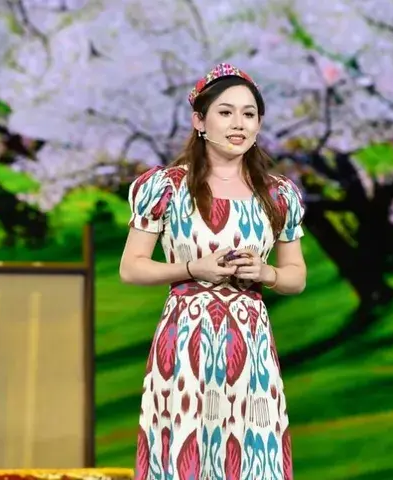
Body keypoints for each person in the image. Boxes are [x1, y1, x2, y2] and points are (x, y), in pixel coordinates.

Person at [120, 63, 306, 480]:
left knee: (252, 450)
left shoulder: (278, 194)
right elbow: (131, 268)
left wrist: (266, 273)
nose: (238, 123)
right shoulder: (166, 187)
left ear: (259, 124)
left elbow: (296, 275)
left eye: (249, 114)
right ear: (199, 121)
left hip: (250, 343)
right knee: (185, 449)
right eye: (225, 112)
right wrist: (192, 268)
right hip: (186, 339)